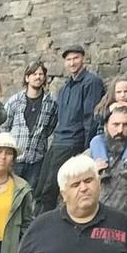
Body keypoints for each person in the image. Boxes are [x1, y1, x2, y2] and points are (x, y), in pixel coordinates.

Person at [42, 47, 102, 211]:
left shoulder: (91, 82)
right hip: (58, 141)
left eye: (75, 58)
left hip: (74, 142)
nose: (72, 62)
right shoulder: (65, 88)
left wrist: (87, 147)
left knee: (53, 187)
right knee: (43, 187)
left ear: (83, 59)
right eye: (68, 60)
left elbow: (90, 116)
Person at [6, 61, 57, 191]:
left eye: (40, 74)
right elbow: (5, 126)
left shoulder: (50, 104)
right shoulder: (14, 101)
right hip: (15, 159)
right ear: (27, 78)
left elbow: (50, 128)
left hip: (36, 160)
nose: (38, 77)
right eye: (34, 74)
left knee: (30, 196)